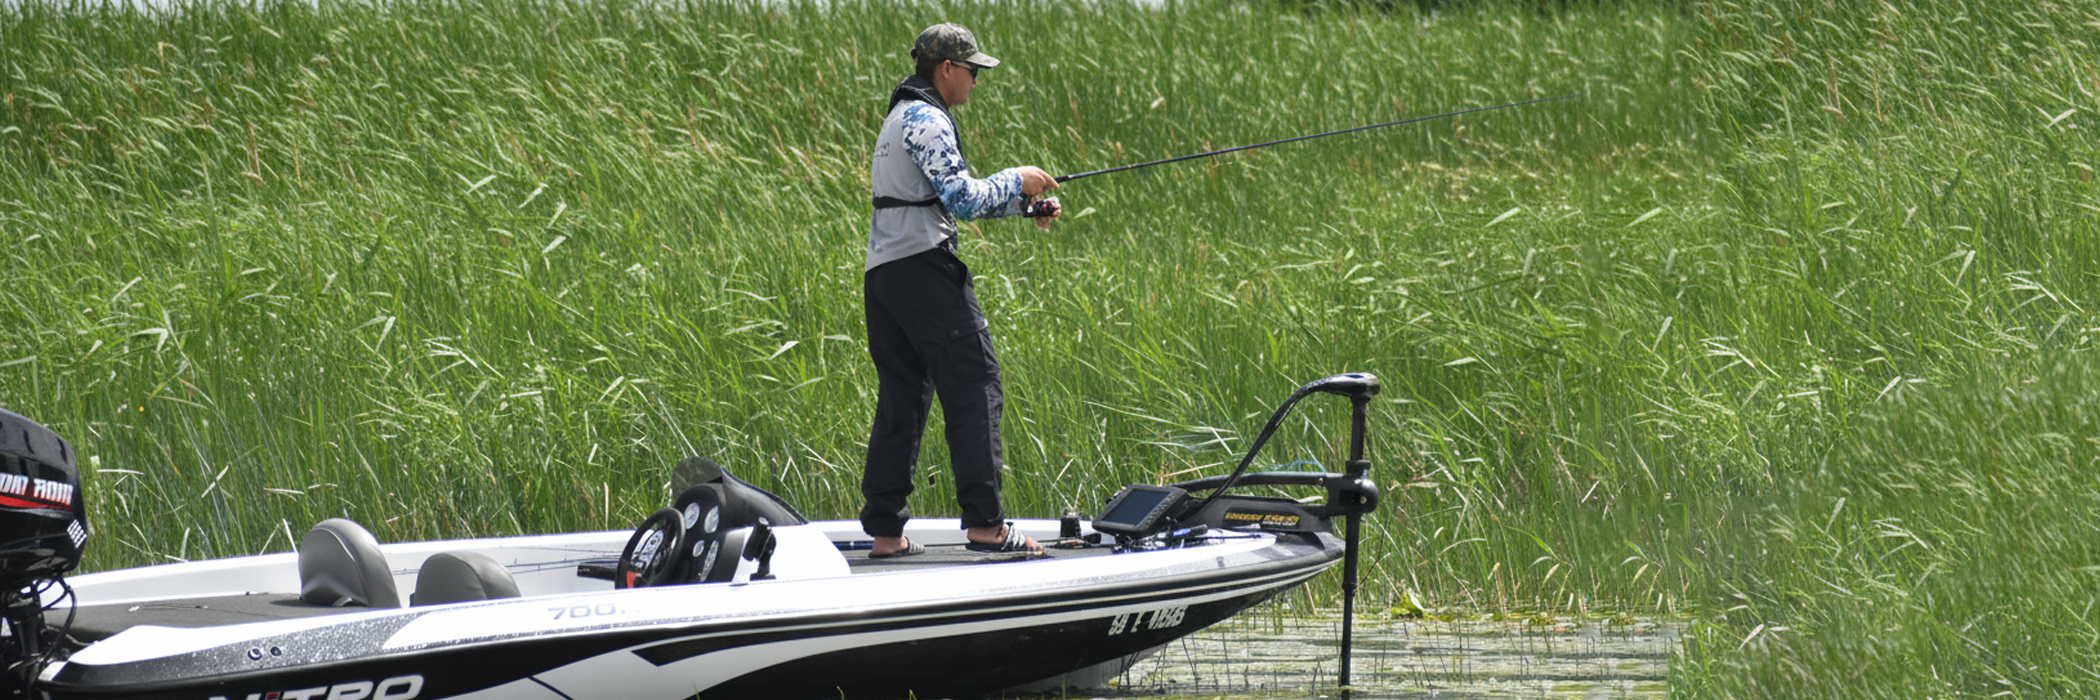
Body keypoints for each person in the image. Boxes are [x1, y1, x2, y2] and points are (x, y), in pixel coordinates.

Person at [860, 23, 1060, 558]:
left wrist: (1025, 206)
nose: (975, 81)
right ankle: (988, 527)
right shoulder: (927, 118)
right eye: (971, 71)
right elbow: (963, 199)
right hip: (924, 272)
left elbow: (934, 199)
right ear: (945, 69)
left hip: (884, 277)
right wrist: (1018, 178)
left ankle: (885, 533)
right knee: (976, 381)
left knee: (903, 398)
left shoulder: (899, 116)